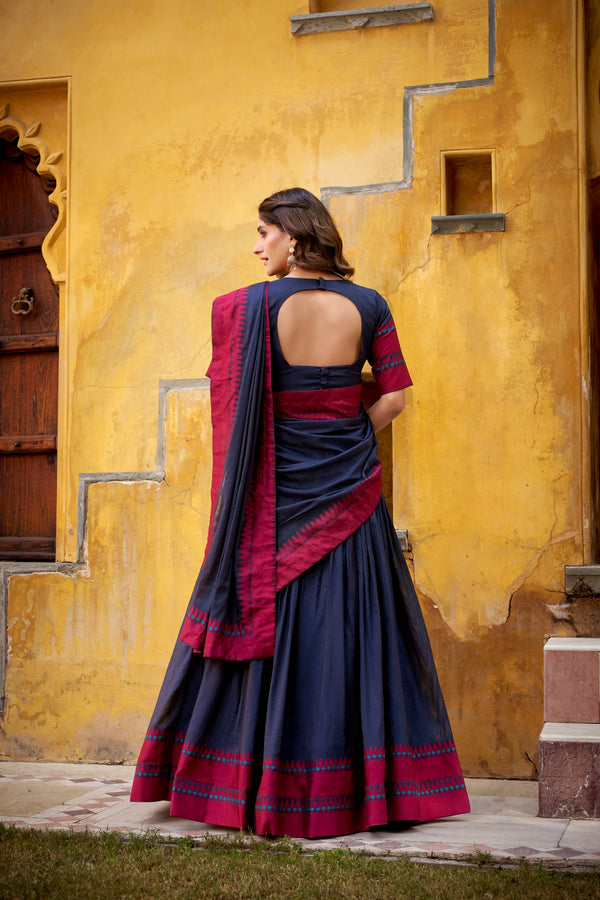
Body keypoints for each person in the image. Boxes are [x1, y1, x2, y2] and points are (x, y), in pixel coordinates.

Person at [130, 187, 470, 838]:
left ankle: (244, 783)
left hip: (272, 495)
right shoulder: (369, 305)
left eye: (263, 232)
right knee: (352, 627)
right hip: (350, 491)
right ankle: (361, 789)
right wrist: (351, 439)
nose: (257, 247)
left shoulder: (249, 309)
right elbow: (394, 398)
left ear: (292, 234)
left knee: (265, 615)